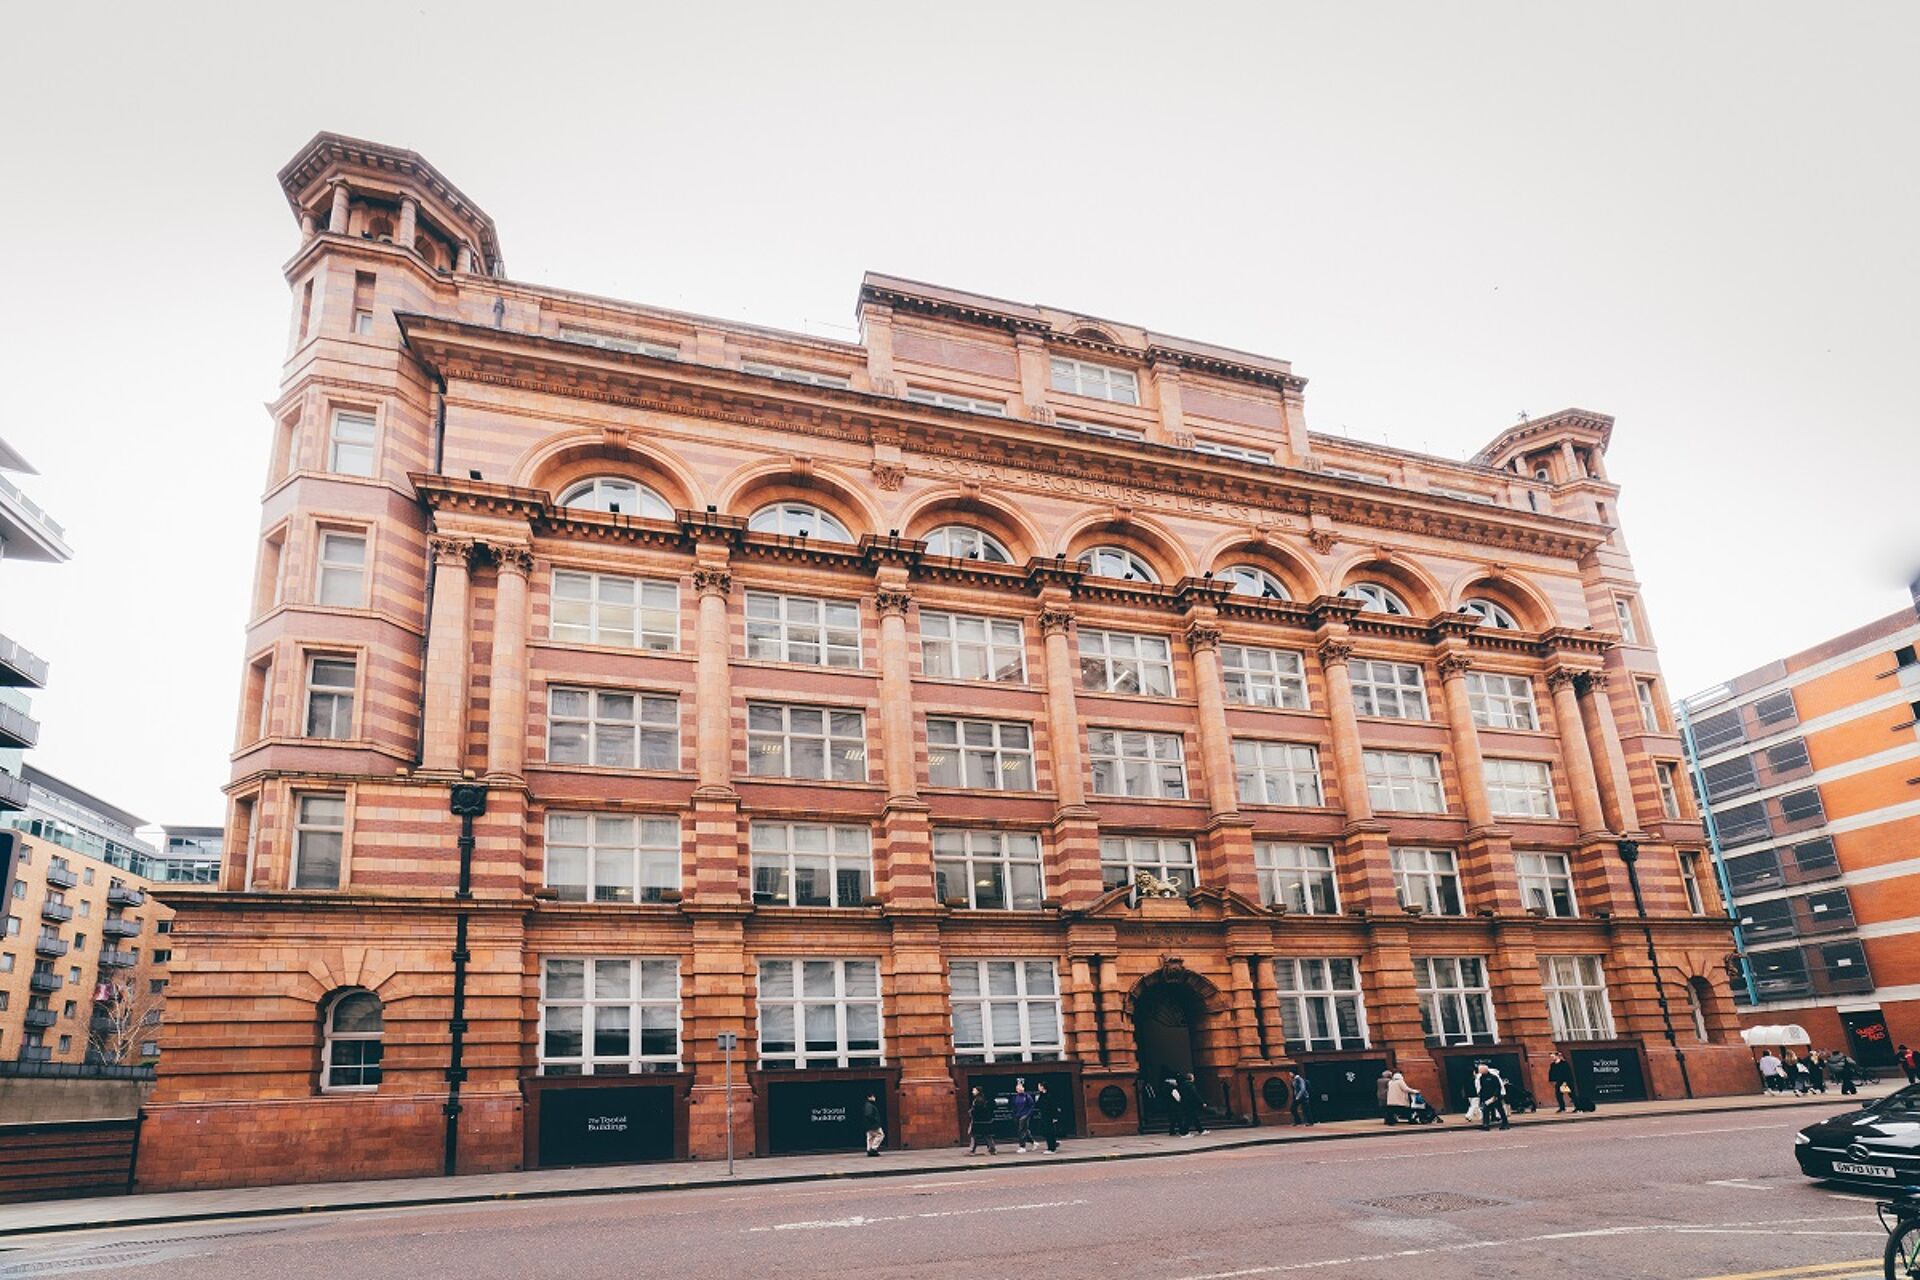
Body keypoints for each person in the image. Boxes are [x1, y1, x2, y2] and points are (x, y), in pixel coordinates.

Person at [1475, 1065, 1510, 1131]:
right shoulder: (1481, 1078)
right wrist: (1481, 1097)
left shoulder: (1493, 1077)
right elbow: (1482, 1088)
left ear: (1485, 1070)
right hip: (1486, 1097)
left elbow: (1498, 1087)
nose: (1480, 1072)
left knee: (1500, 1110)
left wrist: (1495, 1095)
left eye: (1481, 1070)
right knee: (1485, 1111)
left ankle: (1505, 1124)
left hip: (1495, 1097)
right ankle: (1486, 1125)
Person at [967, 1086, 997, 1155]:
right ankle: (992, 1149)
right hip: (985, 1121)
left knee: (974, 1136)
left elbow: (978, 1110)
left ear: (978, 1091)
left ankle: (972, 1150)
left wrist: (971, 1112)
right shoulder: (981, 1099)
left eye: (974, 1090)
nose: (972, 1092)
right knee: (987, 1135)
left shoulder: (978, 1100)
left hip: (978, 1121)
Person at [1034, 1080, 1061, 1153]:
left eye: (1039, 1086)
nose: (1038, 1087)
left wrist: (1055, 1117)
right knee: (1043, 1130)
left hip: (1049, 1116)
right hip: (1044, 1115)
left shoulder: (1050, 1095)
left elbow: (1053, 1106)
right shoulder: (1041, 1095)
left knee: (1050, 1132)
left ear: (1043, 1087)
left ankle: (1051, 1148)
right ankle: (1054, 1143)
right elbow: (1038, 1105)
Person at [1011, 1082, 1036, 1153]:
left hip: (1025, 1115)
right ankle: (1033, 1142)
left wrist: (1028, 1114)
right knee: (1025, 1130)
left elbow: (1031, 1106)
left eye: (1021, 1088)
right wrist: (1014, 1114)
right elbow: (1014, 1107)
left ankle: (1022, 1146)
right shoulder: (1015, 1097)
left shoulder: (1027, 1096)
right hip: (1017, 1115)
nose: (1020, 1089)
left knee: (1021, 1130)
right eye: (1018, 1088)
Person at [863, 1092, 885, 1157]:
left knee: (870, 1137)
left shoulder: (867, 1105)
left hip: (869, 1125)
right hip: (873, 1125)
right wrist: (875, 1121)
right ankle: (873, 1149)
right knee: (880, 1135)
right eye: (873, 1096)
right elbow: (868, 1115)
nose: (874, 1098)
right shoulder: (869, 1105)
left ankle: (869, 1150)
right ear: (869, 1097)